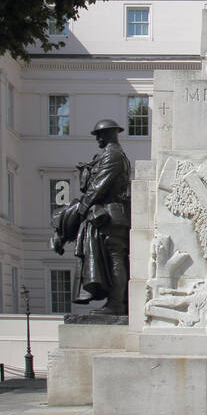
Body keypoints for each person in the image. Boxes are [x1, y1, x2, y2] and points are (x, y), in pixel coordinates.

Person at [52, 119, 132, 315]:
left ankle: (117, 304)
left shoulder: (113, 155)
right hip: (104, 214)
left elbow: (98, 188)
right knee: (108, 259)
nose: (97, 138)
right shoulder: (106, 155)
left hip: (111, 215)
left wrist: (81, 211)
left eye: (100, 134)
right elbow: (90, 185)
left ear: (111, 134)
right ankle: (115, 302)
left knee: (115, 258)